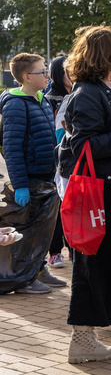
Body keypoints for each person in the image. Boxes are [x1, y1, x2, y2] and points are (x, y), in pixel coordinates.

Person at [59, 25, 111, 363]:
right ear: (106, 55)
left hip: (108, 187)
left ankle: (105, 307)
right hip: (97, 189)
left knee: (104, 258)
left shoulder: (99, 88)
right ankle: (82, 336)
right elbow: (83, 146)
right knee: (91, 261)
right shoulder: (89, 93)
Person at [0, 53, 64, 292]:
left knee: (40, 231)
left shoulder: (41, 99)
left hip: (44, 176)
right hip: (29, 179)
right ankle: (23, 278)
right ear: (27, 77)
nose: (48, 75)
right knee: (27, 231)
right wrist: (21, 185)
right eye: (42, 72)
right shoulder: (16, 104)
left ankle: (36, 269)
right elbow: (12, 147)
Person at [44, 55, 72, 269]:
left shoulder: (79, 94)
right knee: (56, 207)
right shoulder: (48, 99)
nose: (71, 75)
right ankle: (54, 251)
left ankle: (73, 248)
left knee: (72, 207)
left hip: (72, 161)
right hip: (54, 162)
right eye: (66, 71)